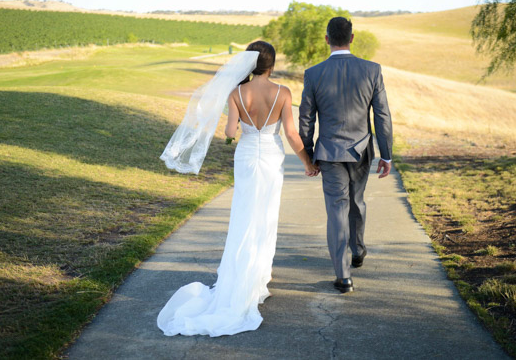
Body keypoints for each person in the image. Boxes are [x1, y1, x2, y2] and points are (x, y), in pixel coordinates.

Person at [157, 41, 317, 337]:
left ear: (249, 64)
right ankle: (259, 279)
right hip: (270, 155)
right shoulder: (283, 93)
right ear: (271, 64)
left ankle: (242, 276)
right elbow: (292, 134)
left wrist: (238, 125)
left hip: (245, 156)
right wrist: (307, 162)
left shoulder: (235, 93)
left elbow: (230, 132)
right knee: (266, 214)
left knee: (244, 214)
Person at [299, 17, 393, 293]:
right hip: (361, 150)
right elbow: (382, 115)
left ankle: (343, 276)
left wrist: (308, 154)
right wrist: (386, 155)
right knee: (357, 201)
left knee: (337, 208)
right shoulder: (372, 70)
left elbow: (307, 119)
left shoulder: (313, 73)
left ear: (327, 39)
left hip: (328, 153)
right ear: (352, 38)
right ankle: (358, 250)